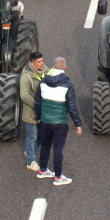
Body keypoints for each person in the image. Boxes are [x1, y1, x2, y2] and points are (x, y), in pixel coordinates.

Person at [36, 56, 82, 185]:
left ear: (54, 66)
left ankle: (43, 170)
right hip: (59, 123)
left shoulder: (43, 81)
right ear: (65, 68)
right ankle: (58, 177)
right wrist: (78, 124)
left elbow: (38, 102)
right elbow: (72, 107)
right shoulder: (68, 85)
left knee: (45, 145)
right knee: (57, 149)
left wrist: (39, 117)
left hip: (45, 121)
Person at [19, 51, 48, 171]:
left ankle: (29, 152)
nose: (42, 64)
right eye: (39, 62)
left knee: (43, 136)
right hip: (31, 113)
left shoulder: (46, 71)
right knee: (32, 137)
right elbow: (24, 95)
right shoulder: (26, 76)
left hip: (44, 113)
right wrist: (38, 105)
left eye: (42, 61)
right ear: (32, 63)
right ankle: (30, 161)